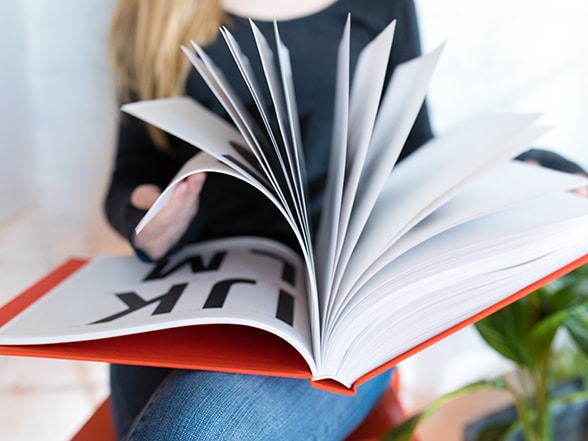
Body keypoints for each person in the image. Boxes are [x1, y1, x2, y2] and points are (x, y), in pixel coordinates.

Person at [105, 0, 432, 439]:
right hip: (192, 286)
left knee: (185, 431)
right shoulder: (155, 9)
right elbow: (133, 169)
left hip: (340, 305)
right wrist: (149, 218)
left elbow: (415, 152)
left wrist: (507, 170)